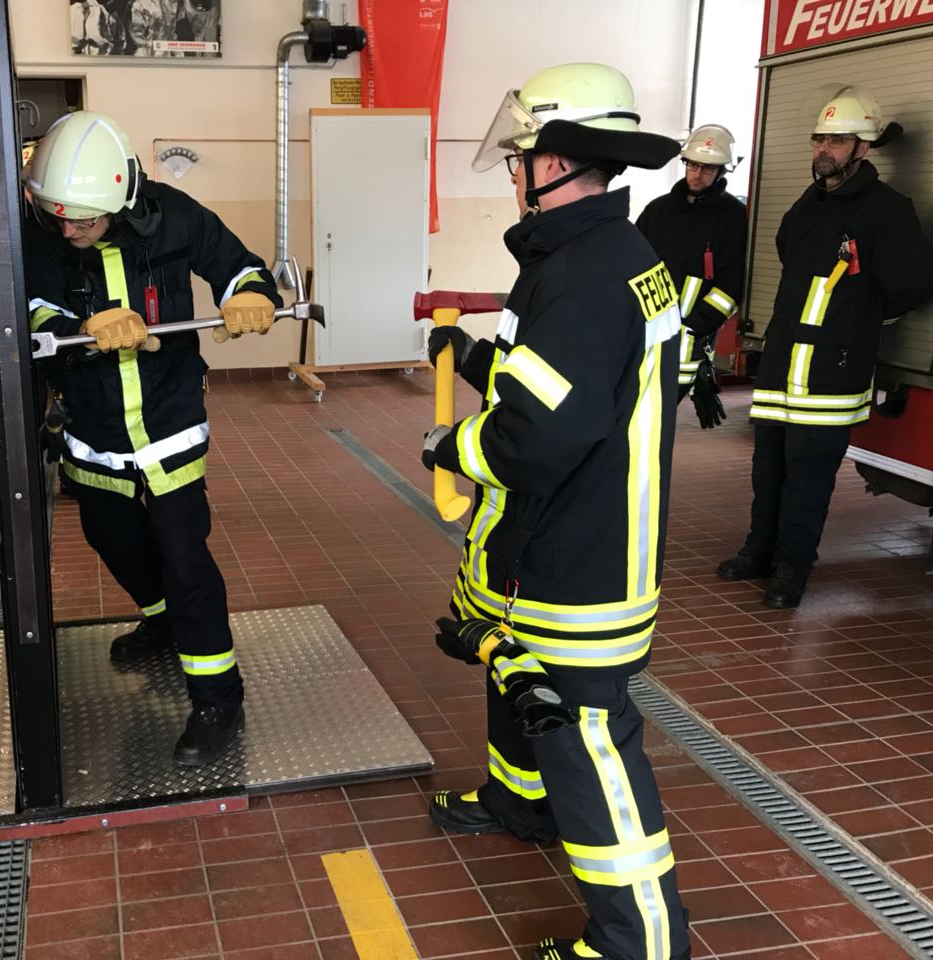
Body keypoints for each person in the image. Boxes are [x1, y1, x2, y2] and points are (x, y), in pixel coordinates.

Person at [420, 63, 690, 960]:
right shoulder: (608, 255)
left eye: (522, 156)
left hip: (578, 564)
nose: (513, 172)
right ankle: (520, 803)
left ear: (558, 161)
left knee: (584, 741)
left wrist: (450, 448)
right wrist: (472, 358)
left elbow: (536, 440)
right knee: (519, 690)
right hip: (573, 543)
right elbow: (565, 386)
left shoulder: (578, 276)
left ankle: (639, 942)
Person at [23, 110, 279, 765]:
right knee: (109, 534)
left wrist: (250, 293)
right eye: (59, 217)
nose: (69, 230)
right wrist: (79, 327)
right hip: (93, 424)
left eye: (84, 220)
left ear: (122, 199)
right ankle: (160, 620)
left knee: (185, 558)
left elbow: (239, 267)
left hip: (168, 421)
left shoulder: (175, 215)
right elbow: (33, 308)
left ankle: (218, 700)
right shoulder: (42, 233)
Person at [717, 86, 933, 608]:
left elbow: (912, 283)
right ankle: (758, 552)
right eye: (819, 139)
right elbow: (786, 250)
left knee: (809, 477)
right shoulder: (809, 203)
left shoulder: (887, 210)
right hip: (782, 364)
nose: (823, 149)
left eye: (836, 141)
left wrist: (857, 321)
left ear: (863, 147)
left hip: (831, 372)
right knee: (768, 468)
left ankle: (791, 570)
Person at [636, 124, 747, 429]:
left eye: (708, 168)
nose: (698, 174)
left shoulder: (733, 217)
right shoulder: (657, 211)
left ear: (722, 171)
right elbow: (630, 266)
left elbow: (731, 284)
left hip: (687, 344)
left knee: (654, 423)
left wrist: (695, 326)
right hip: (641, 335)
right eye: (693, 165)